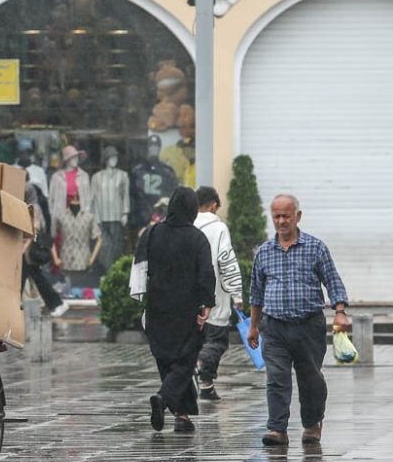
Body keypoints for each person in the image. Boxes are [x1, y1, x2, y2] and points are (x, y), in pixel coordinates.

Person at [247, 194, 349, 446]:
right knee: (276, 378)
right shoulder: (264, 252)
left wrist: (339, 311)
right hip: (274, 327)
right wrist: (253, 326)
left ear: (297, 217)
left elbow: (333, 281)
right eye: (276, 216)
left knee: (310, 378)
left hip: (308, 326)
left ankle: (313, 424)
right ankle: (277, 428)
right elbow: (256, 293)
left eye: (286, 216)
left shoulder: (316, 248)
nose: (281, 221)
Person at [136, 187, 215, 433]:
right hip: (186, 310)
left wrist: (141, 301)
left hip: (157, 308)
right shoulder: (197, 238)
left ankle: (182, 415)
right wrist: (206, 304)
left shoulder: (151, 233)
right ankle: (163, 398)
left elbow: (139, 270)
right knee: (185, 360)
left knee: (165, 359)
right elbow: (206, 275)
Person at [194, 186, 243, 400]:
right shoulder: (219, 228)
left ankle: (206, 386)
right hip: (215, 295)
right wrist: (237, 294)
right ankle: (202, 369)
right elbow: (227, 261)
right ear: (214, 205)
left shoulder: (186, 225)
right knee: (216, 342)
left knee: (194, 340)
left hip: (189, 296)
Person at [22, 182, 68, 318]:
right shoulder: (30, 206)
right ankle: (56, 304)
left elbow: (36, 229)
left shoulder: (33, 208)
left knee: (34, 278)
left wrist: (25, 246)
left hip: (29, 251)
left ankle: (57, 303)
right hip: (27, 251)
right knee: (35, 278)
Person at [90, 145, 130, 272]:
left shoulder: (123, 176)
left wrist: (125, 213)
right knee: (104, 246)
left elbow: (125, 195)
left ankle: (115, 271)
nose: (114, 159)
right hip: (102, 217)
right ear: (106, 159)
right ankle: (107, 270)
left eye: (115, 157)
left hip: (116, 216)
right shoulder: (96, 177)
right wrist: (95, 217)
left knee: (117, 246)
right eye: (111, 157)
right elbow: (93, 198)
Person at [129, 135, 178, 230]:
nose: (153, 150)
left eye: (156, 147)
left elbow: (172, 196)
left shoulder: (167, 171)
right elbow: (133, 196)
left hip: (162, 215)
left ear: (159, 149)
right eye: (151, 147)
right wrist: (134, 218)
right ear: (147, 148)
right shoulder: (138, 171)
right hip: (142, 215)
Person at [48, 145, 91, 220]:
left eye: (76, 157)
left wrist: (86, 215)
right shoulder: (57, 177)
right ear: (67, 160)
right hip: (61, 215)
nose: (76, 160)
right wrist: (54, 216)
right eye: (73, 157)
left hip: (80, 215)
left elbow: (87, 198)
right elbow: (51, 198)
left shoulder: (84, 176)